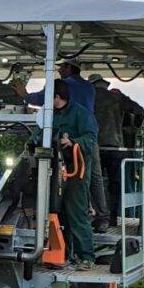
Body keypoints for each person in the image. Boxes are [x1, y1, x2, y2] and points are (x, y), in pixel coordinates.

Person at [14, 59, 105, 230]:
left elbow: (42, 98)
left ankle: (62, 216)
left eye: (61, 67)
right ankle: (101, 217)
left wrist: (25, 95)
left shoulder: (65, 86)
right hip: (88, 140)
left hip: (69, 145)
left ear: (69, 67)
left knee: (64, 183)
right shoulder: (89, 87)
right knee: (95, 178)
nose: (59, 70)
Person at [46, 83, 97, 269]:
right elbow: (38, 132)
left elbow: (91, 139)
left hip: (75, 171)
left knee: (76, 213)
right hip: (55, 170)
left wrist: (73, 142)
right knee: (58, 214)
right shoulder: (50, 114)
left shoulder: (81, 114)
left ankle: (87, 257)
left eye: (49, 96)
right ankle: (63, 255)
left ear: (57, 97)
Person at [89, 74, 125, 228]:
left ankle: (98, 216)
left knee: (94, 182)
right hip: (115, 146)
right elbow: (139, 111)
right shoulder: (117, 97)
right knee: (114, 184)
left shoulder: (90, 97)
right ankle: (113, 218)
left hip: (96, 145)